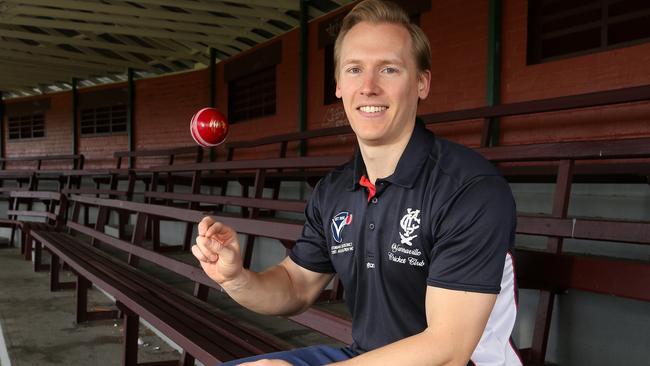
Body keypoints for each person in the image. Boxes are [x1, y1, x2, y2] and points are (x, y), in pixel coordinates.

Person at [192, 0, 521, 365]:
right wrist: (236, 277)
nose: (368, 87)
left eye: (389, 69)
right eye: (354, 69)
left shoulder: (469, 188)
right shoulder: (336, 189)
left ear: (422, 83)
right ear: (338, 86)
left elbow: (447, 351)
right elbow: (295, 286)